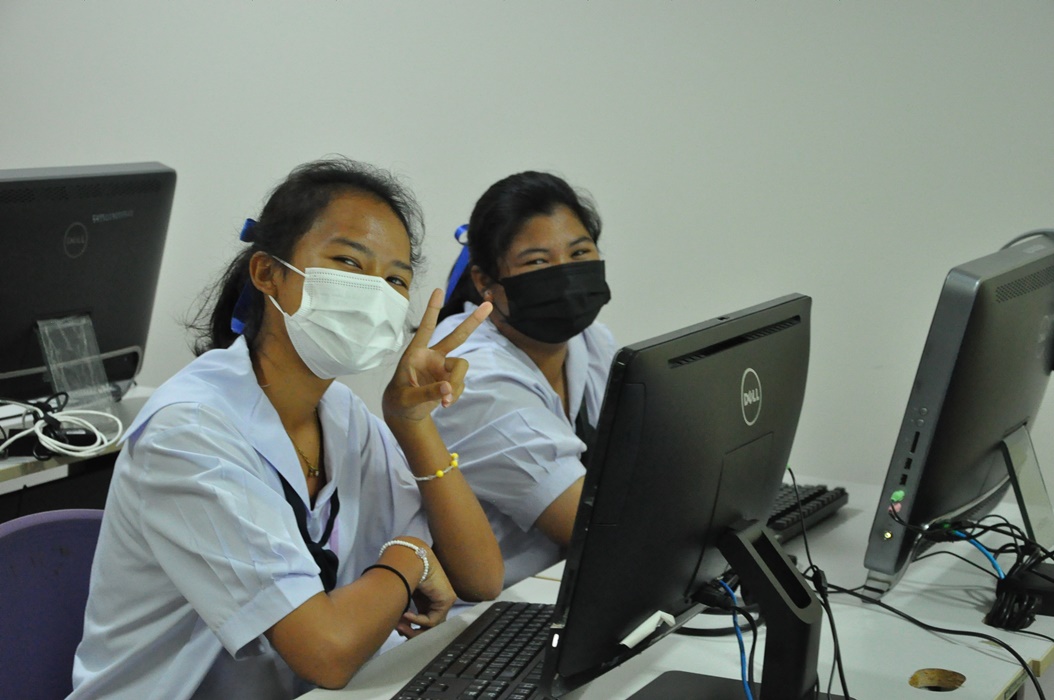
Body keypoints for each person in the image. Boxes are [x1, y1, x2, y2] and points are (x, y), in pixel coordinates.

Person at [69, 158, 504, 700]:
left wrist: (411, 424)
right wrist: (409, 557)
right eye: (348, 261)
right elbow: (326, 653)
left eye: (395, 280)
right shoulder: (190, 431)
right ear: (267, 273)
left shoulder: (340, 414)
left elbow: (481, 577)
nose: (375, 292)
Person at [432, 171, 616, 589]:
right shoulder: (469, 376)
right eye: (538, 262)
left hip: (565, 585)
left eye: (579, 252)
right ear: (485, 282)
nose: (566, 275)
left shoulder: (591, 342)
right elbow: (595, 530)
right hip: (485, 611)